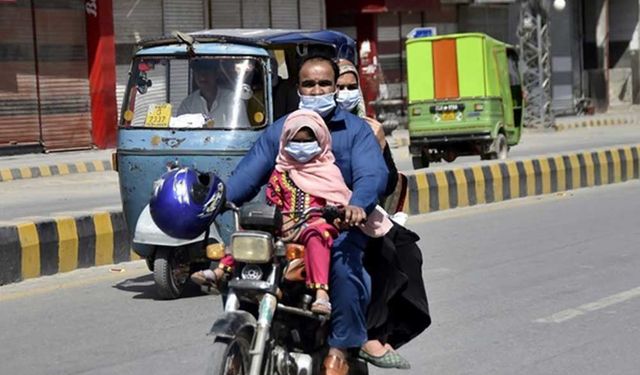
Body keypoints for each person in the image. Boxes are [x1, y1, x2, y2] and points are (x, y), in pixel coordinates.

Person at [225, 54, 389, 375]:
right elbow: (246, 176)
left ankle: (339, 349)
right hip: (285, 225)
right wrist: (217, 198)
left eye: (324, 83)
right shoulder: (280, 130)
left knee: (344, 265)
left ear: (335, 87)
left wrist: (357, 204)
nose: (316, 91)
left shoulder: (356, 130)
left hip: (339, 224)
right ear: (298, 88)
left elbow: (372, 175)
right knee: (244, 260)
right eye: (309, 84)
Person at [337, 59, 431, 370]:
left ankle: (378, 333)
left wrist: (378, 145)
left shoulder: (369, 126)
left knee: (403, 249)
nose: (344, 93)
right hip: (319, 208)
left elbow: (388, 180)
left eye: (351, 87)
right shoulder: (306, 125)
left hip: (361, 211)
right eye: (338, 86)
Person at [177, 59, 251, 126]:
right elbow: (180, 133)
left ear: (216, 73)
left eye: (207, 71)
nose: (202, 77)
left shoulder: (233, 100)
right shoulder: (188, 104)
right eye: (198, 72)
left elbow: (242, 133)